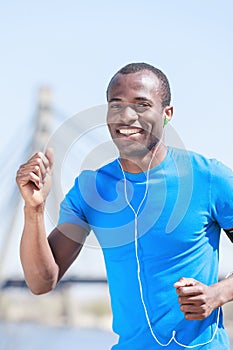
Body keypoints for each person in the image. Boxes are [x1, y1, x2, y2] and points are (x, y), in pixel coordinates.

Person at [16, 62, 233, 349]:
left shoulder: (208, 178)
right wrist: (34, 211)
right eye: (116, 105)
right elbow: (41, 282)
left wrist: (218, 293)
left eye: (142, 105)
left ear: (167, 114)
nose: (127, 116)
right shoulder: (91, 189)